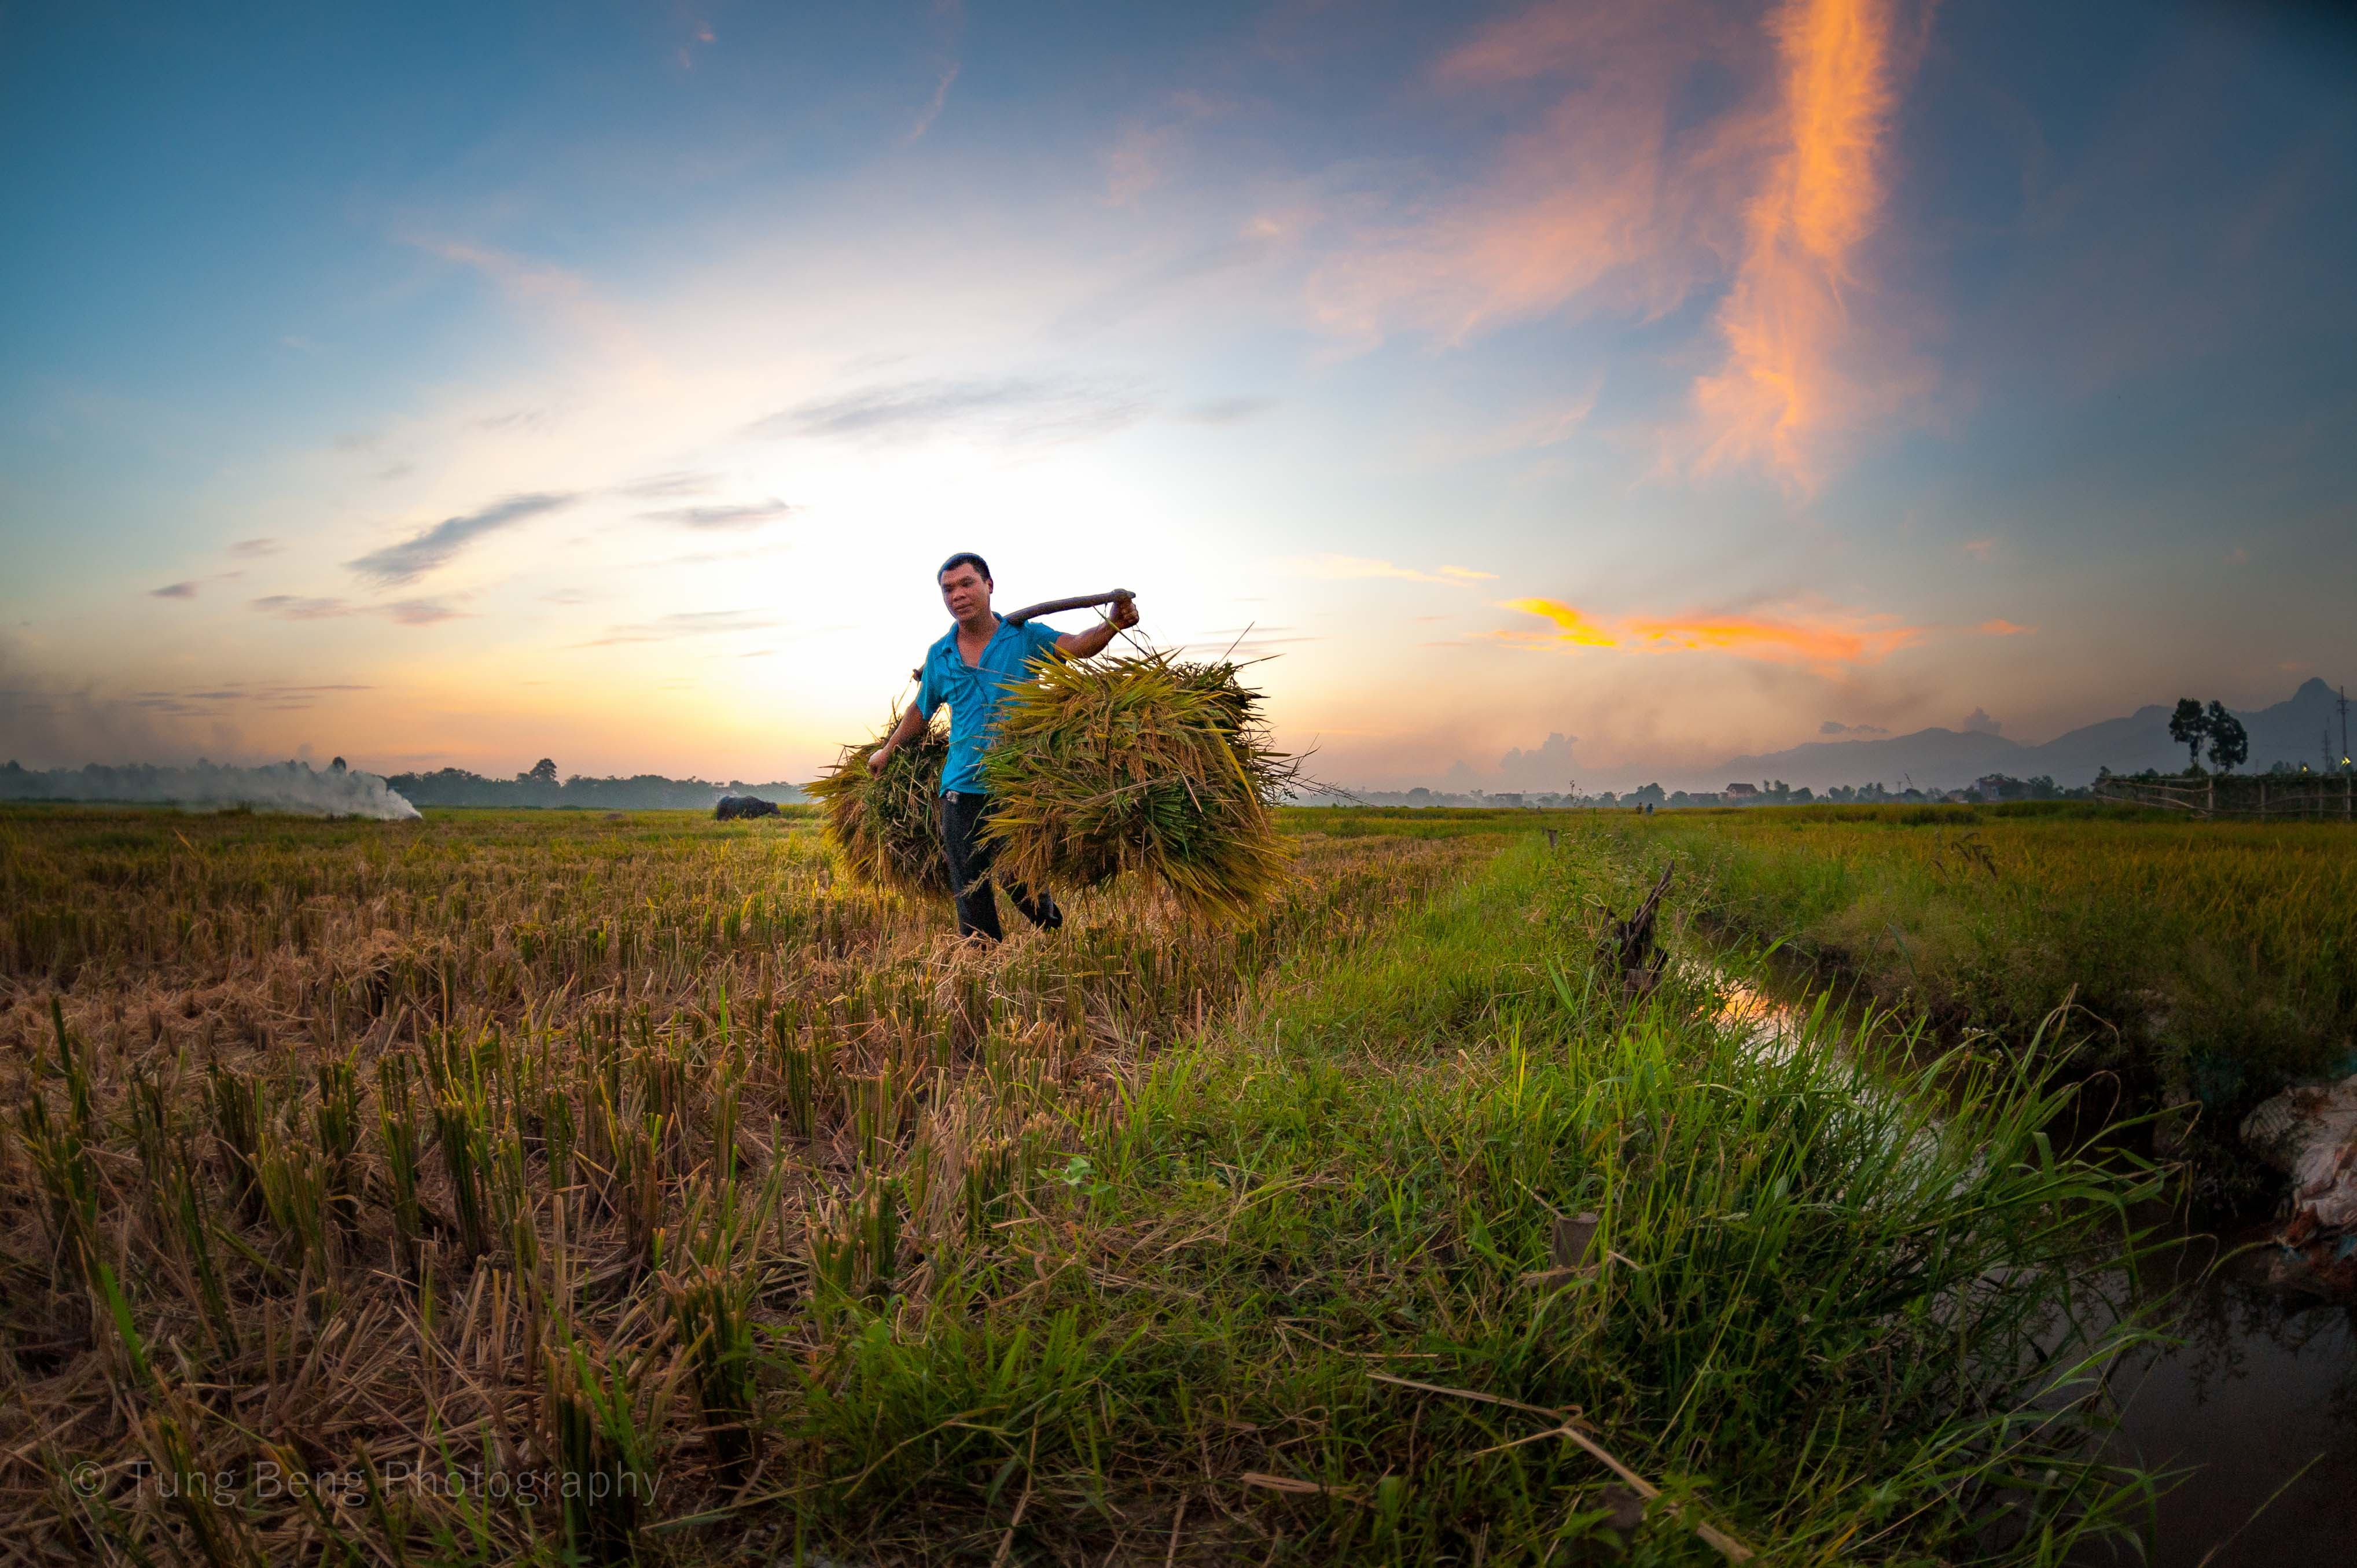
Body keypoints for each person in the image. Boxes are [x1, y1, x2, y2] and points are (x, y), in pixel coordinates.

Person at [868, 552, 1140, 941]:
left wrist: (1112, 624)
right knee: (969, 883)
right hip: (961, 787)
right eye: (948, 589)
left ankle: (1052, 930)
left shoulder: (1025, 636)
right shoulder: (940, 654)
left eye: (966, 584)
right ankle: (982, 960)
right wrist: (889, 749)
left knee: (1018, 875)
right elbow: (920, 709)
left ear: (988, 586)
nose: (957, 595)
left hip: (1018, 784)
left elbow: (1078, 645)